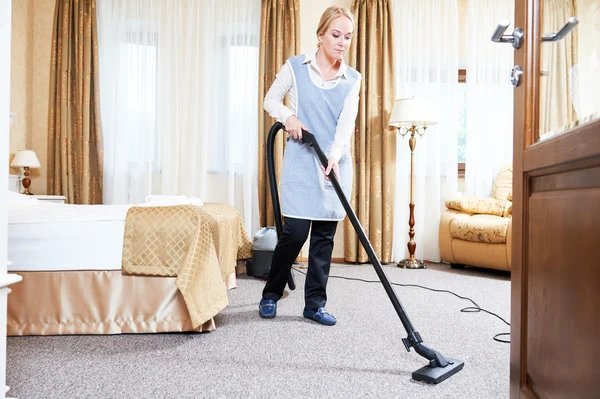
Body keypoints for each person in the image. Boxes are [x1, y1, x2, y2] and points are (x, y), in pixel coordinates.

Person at [259, 6, 362, 326]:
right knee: (294, 234)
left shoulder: (353, 78)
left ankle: (314, 304)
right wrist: (287, 117)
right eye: (335, 35)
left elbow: (346, 124)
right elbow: (270, 100)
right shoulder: (295, 67)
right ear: (320, 35)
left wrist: (334, 156)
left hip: (334, 160)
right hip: (302, 162)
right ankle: (271, 294)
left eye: (348, 36)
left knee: (324, 238)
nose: (342, 42)